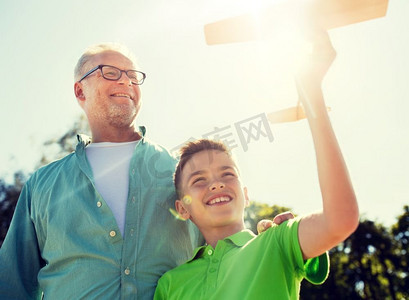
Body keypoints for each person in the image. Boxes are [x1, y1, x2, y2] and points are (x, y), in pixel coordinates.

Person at [0, 43, 290, 299]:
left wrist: (264, 241)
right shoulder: (42, 185)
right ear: (80, 90)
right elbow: (11, 286)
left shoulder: (182, 174)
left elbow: (224, 248)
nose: (125, 81)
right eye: (110, 72)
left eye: (133, 75)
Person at [154, 31, 359, 299]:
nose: (216, 183)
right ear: (182, 209)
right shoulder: (171, 285)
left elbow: (340, 219)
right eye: (199, 180)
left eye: (227, 174)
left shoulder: (277, 241)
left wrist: (312, 94)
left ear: (246, 194)